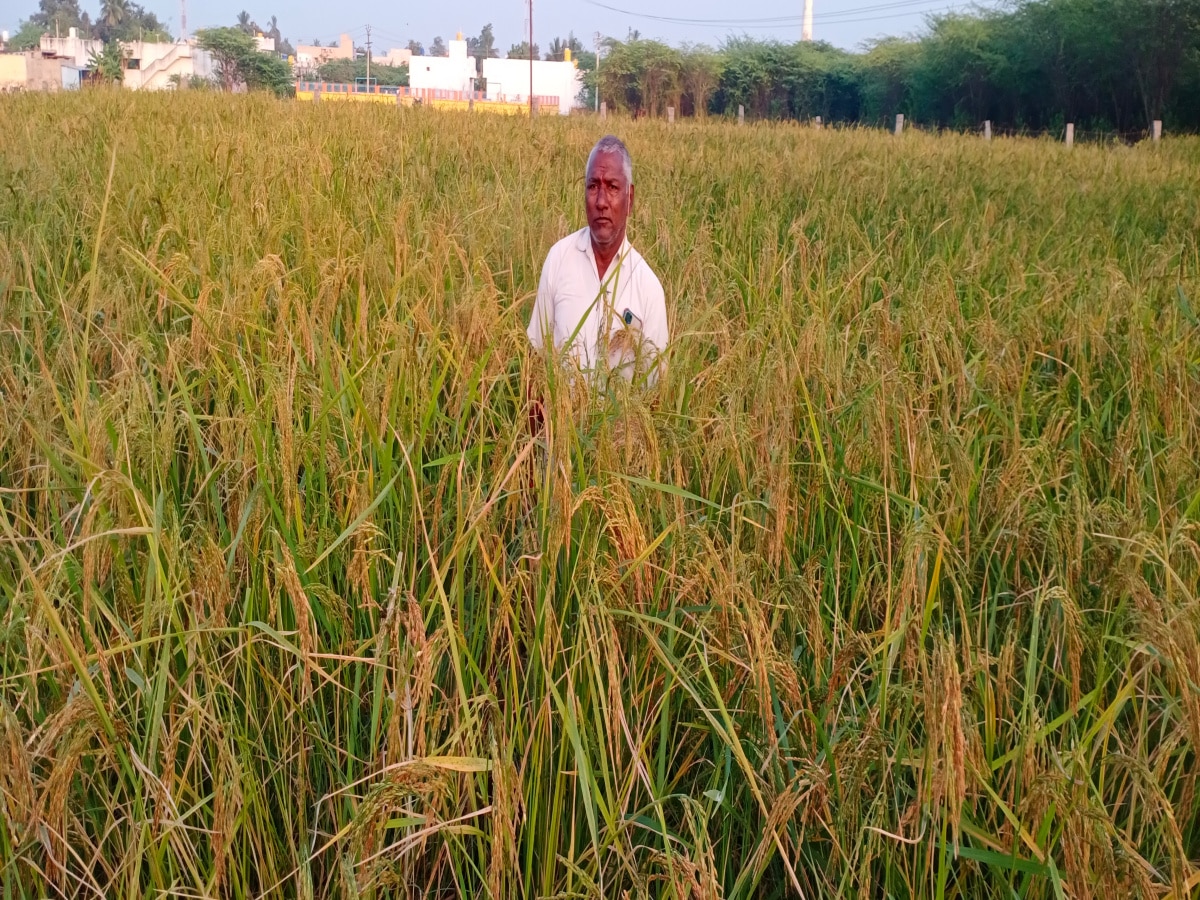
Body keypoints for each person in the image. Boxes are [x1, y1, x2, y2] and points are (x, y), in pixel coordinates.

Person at [526, 135, 669, 386]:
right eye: (593, 186)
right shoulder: (559, 259)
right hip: (561, 424)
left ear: (630, 198)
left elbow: (654, 396)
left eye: (612, 187)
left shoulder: (648, 289)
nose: (601, 201)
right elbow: (535, 363)